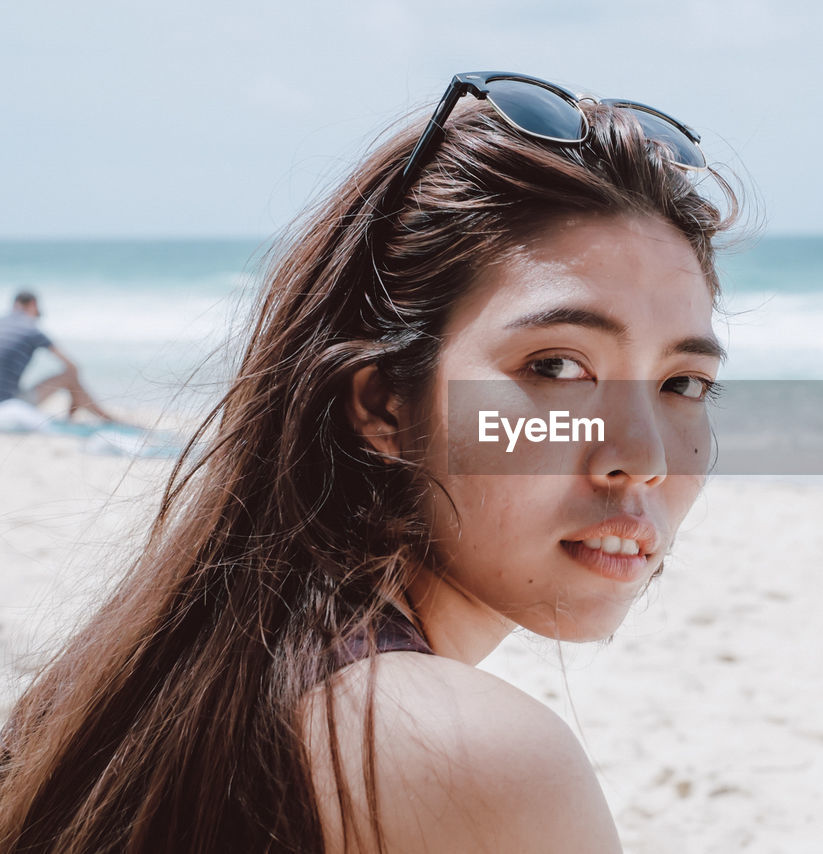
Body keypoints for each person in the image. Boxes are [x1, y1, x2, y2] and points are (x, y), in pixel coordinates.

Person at [0, 71, 738, 853]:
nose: (644, 458)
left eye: (682, 384)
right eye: (556, 367)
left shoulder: (184, 692)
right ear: (386, 406)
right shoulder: (471, 757)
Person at [0, 291, 117, 422]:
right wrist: (73, 406)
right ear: (33, 304)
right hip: (8, 405)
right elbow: (73, 366)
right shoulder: (31, 330)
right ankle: (102, 418)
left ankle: (85, 417)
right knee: (69, 376)